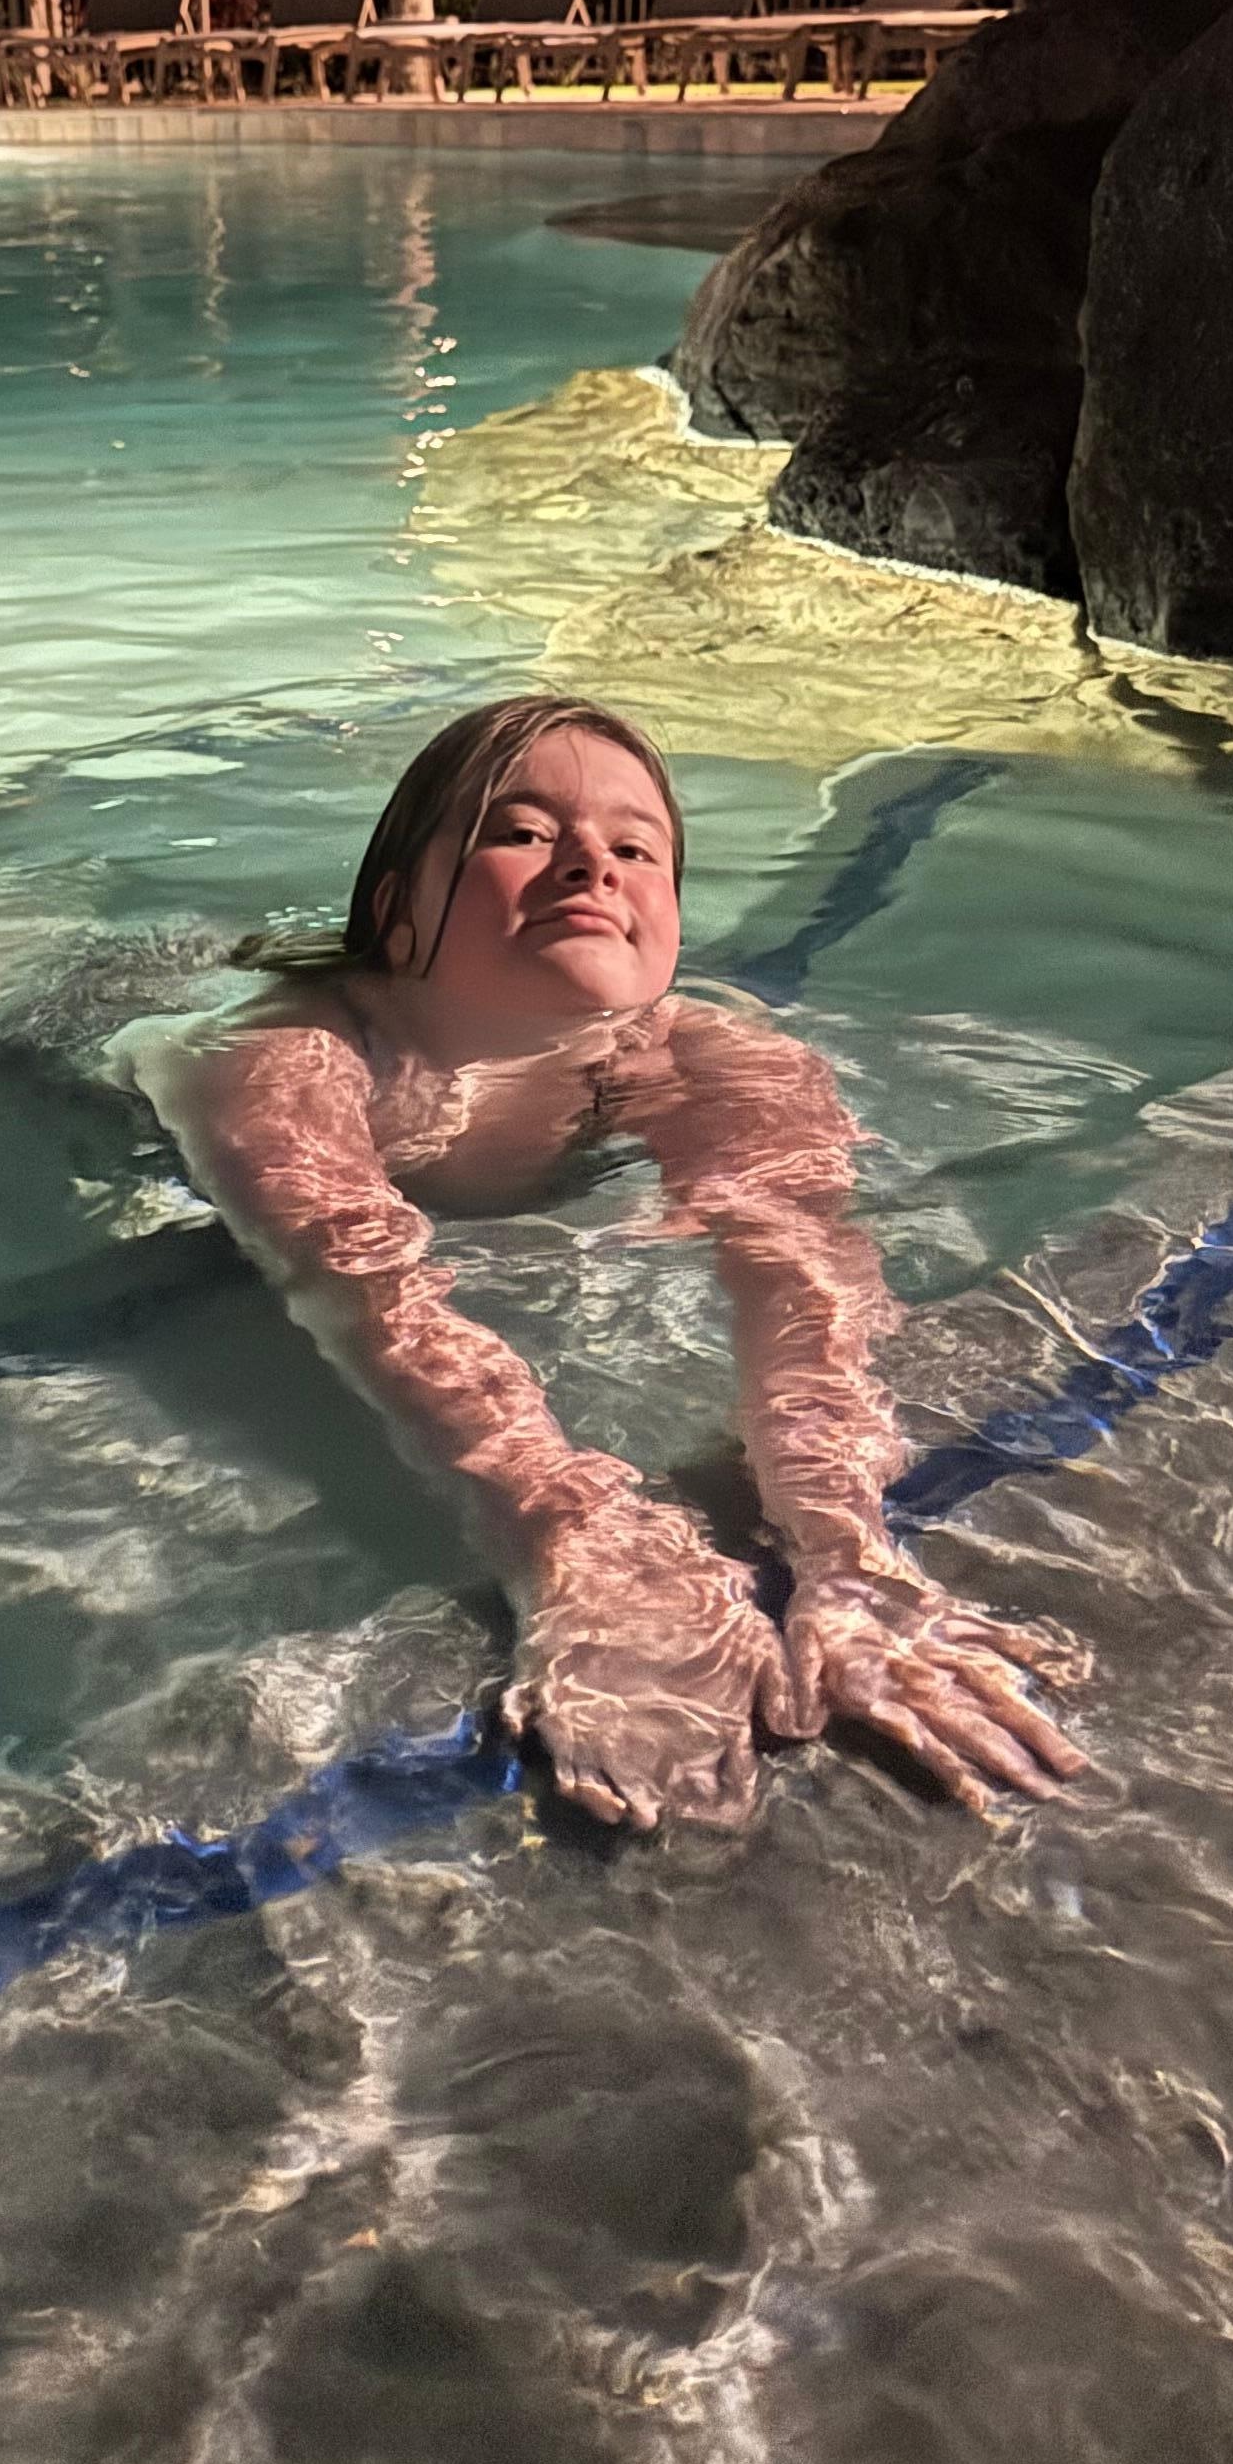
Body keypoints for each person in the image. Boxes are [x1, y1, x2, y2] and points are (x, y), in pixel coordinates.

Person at [132, 693, 1089, 1833]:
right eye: (524, 833)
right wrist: (570, 1537)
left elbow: (805, 1287)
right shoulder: (287, 1059)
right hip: (104, 1047)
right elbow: (364, 1282)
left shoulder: (719, 1059)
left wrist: (849, 1553)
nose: (591, 862)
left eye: (637, 849)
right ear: (394, 914)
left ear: (673, 924)